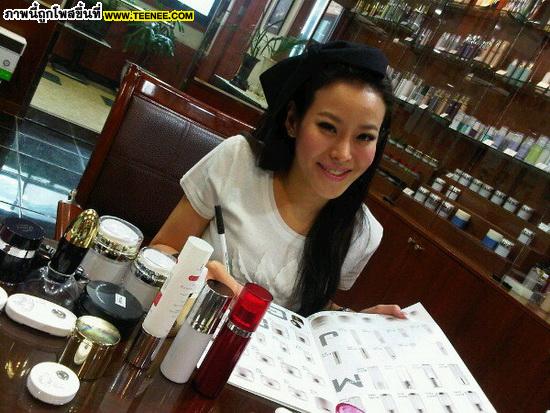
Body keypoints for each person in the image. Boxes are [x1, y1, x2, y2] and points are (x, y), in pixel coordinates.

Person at [151, 41, 405, 318]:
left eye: (364, 137)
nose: (343, 154)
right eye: (328, 127)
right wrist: (203, 283)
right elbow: (161, 249)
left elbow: (310, 308)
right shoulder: (237, 161)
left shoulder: (362, 232)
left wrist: (350, 321)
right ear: (293, 121)